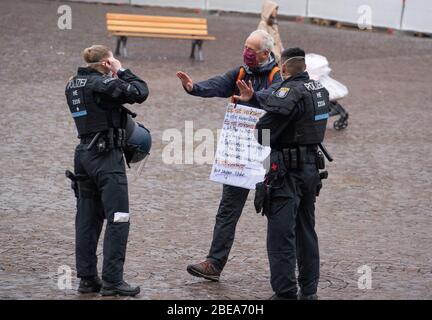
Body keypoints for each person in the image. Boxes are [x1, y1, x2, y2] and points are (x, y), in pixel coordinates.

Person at [176, 30, 282, 281]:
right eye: (245, 46)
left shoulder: (278, 76)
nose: (246, 53)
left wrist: (254, 97)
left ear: (265, 53)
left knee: (280, 210)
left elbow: (278, 99)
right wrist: (194, 87)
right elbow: (219, 84)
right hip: (241, 151)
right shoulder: (241, 72)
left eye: (252, 50)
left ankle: (288, 271)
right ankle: (214, 263)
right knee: (227, 209)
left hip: (268, 151)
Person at [233, 47, 330, 299]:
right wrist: (255, 99)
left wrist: (263, 137)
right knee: (306, 230)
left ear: (284, 68)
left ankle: (285, 292)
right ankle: (309, 290)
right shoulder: (318, 90)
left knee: (280, 234)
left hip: (285, 172)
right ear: (305, 67)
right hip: (311, 168)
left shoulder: (287, 91)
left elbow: (264, 129)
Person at [65, 45, 149, 296]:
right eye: (111, 61)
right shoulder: (102, 84)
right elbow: (141, 91)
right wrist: (121, 70)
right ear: (104, 64)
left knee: (87, 218)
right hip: (106, 156)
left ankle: (88, 279)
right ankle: (113, 280)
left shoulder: (73, 84)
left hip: (83, 155)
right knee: (119, 217)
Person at [258, 0, 284, 65]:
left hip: (277, 55)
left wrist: (282, 49)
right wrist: (273, 53)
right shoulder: (263, 25)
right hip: (270, 57)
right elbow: (264, 43)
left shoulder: (273, 24)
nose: (276, 11)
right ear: (269, 10)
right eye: (274, 9)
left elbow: (278, 39)